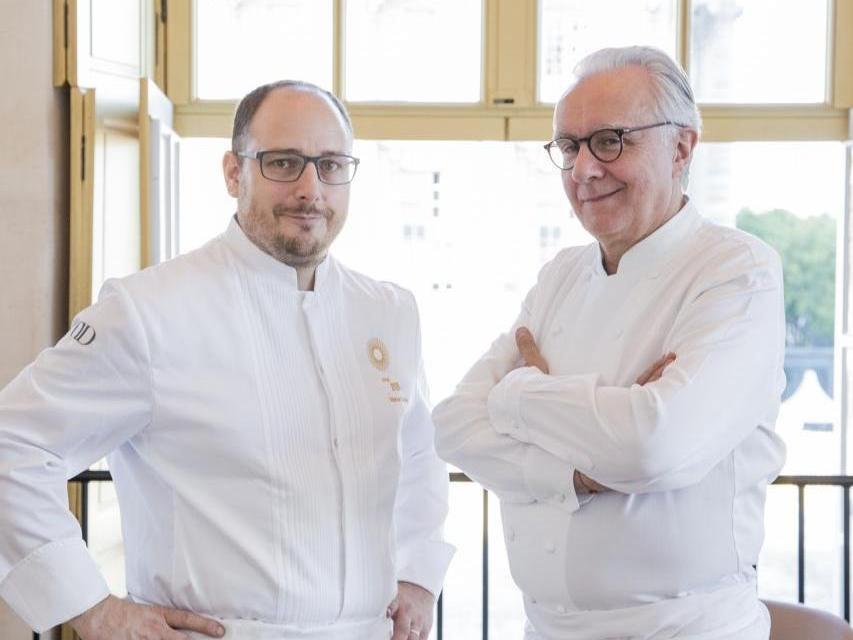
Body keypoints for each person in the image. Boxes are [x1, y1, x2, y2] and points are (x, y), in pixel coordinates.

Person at [0, 80, 453, 640]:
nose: (311, 189)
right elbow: (13, 444)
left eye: (331, 165)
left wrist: (418, 575)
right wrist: (91, 608)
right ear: (234, 173)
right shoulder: (148, 312)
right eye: (283, 162)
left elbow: (418, 455)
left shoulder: (389, 312)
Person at [433, 46, 786, 640]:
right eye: (569, 147)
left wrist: (521, 395)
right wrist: (576, 473)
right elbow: (454, 425)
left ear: (681, 148)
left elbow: (653, 445)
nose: (583, 169)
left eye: (611, 140)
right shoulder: (561, 276)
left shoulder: (737, 269)